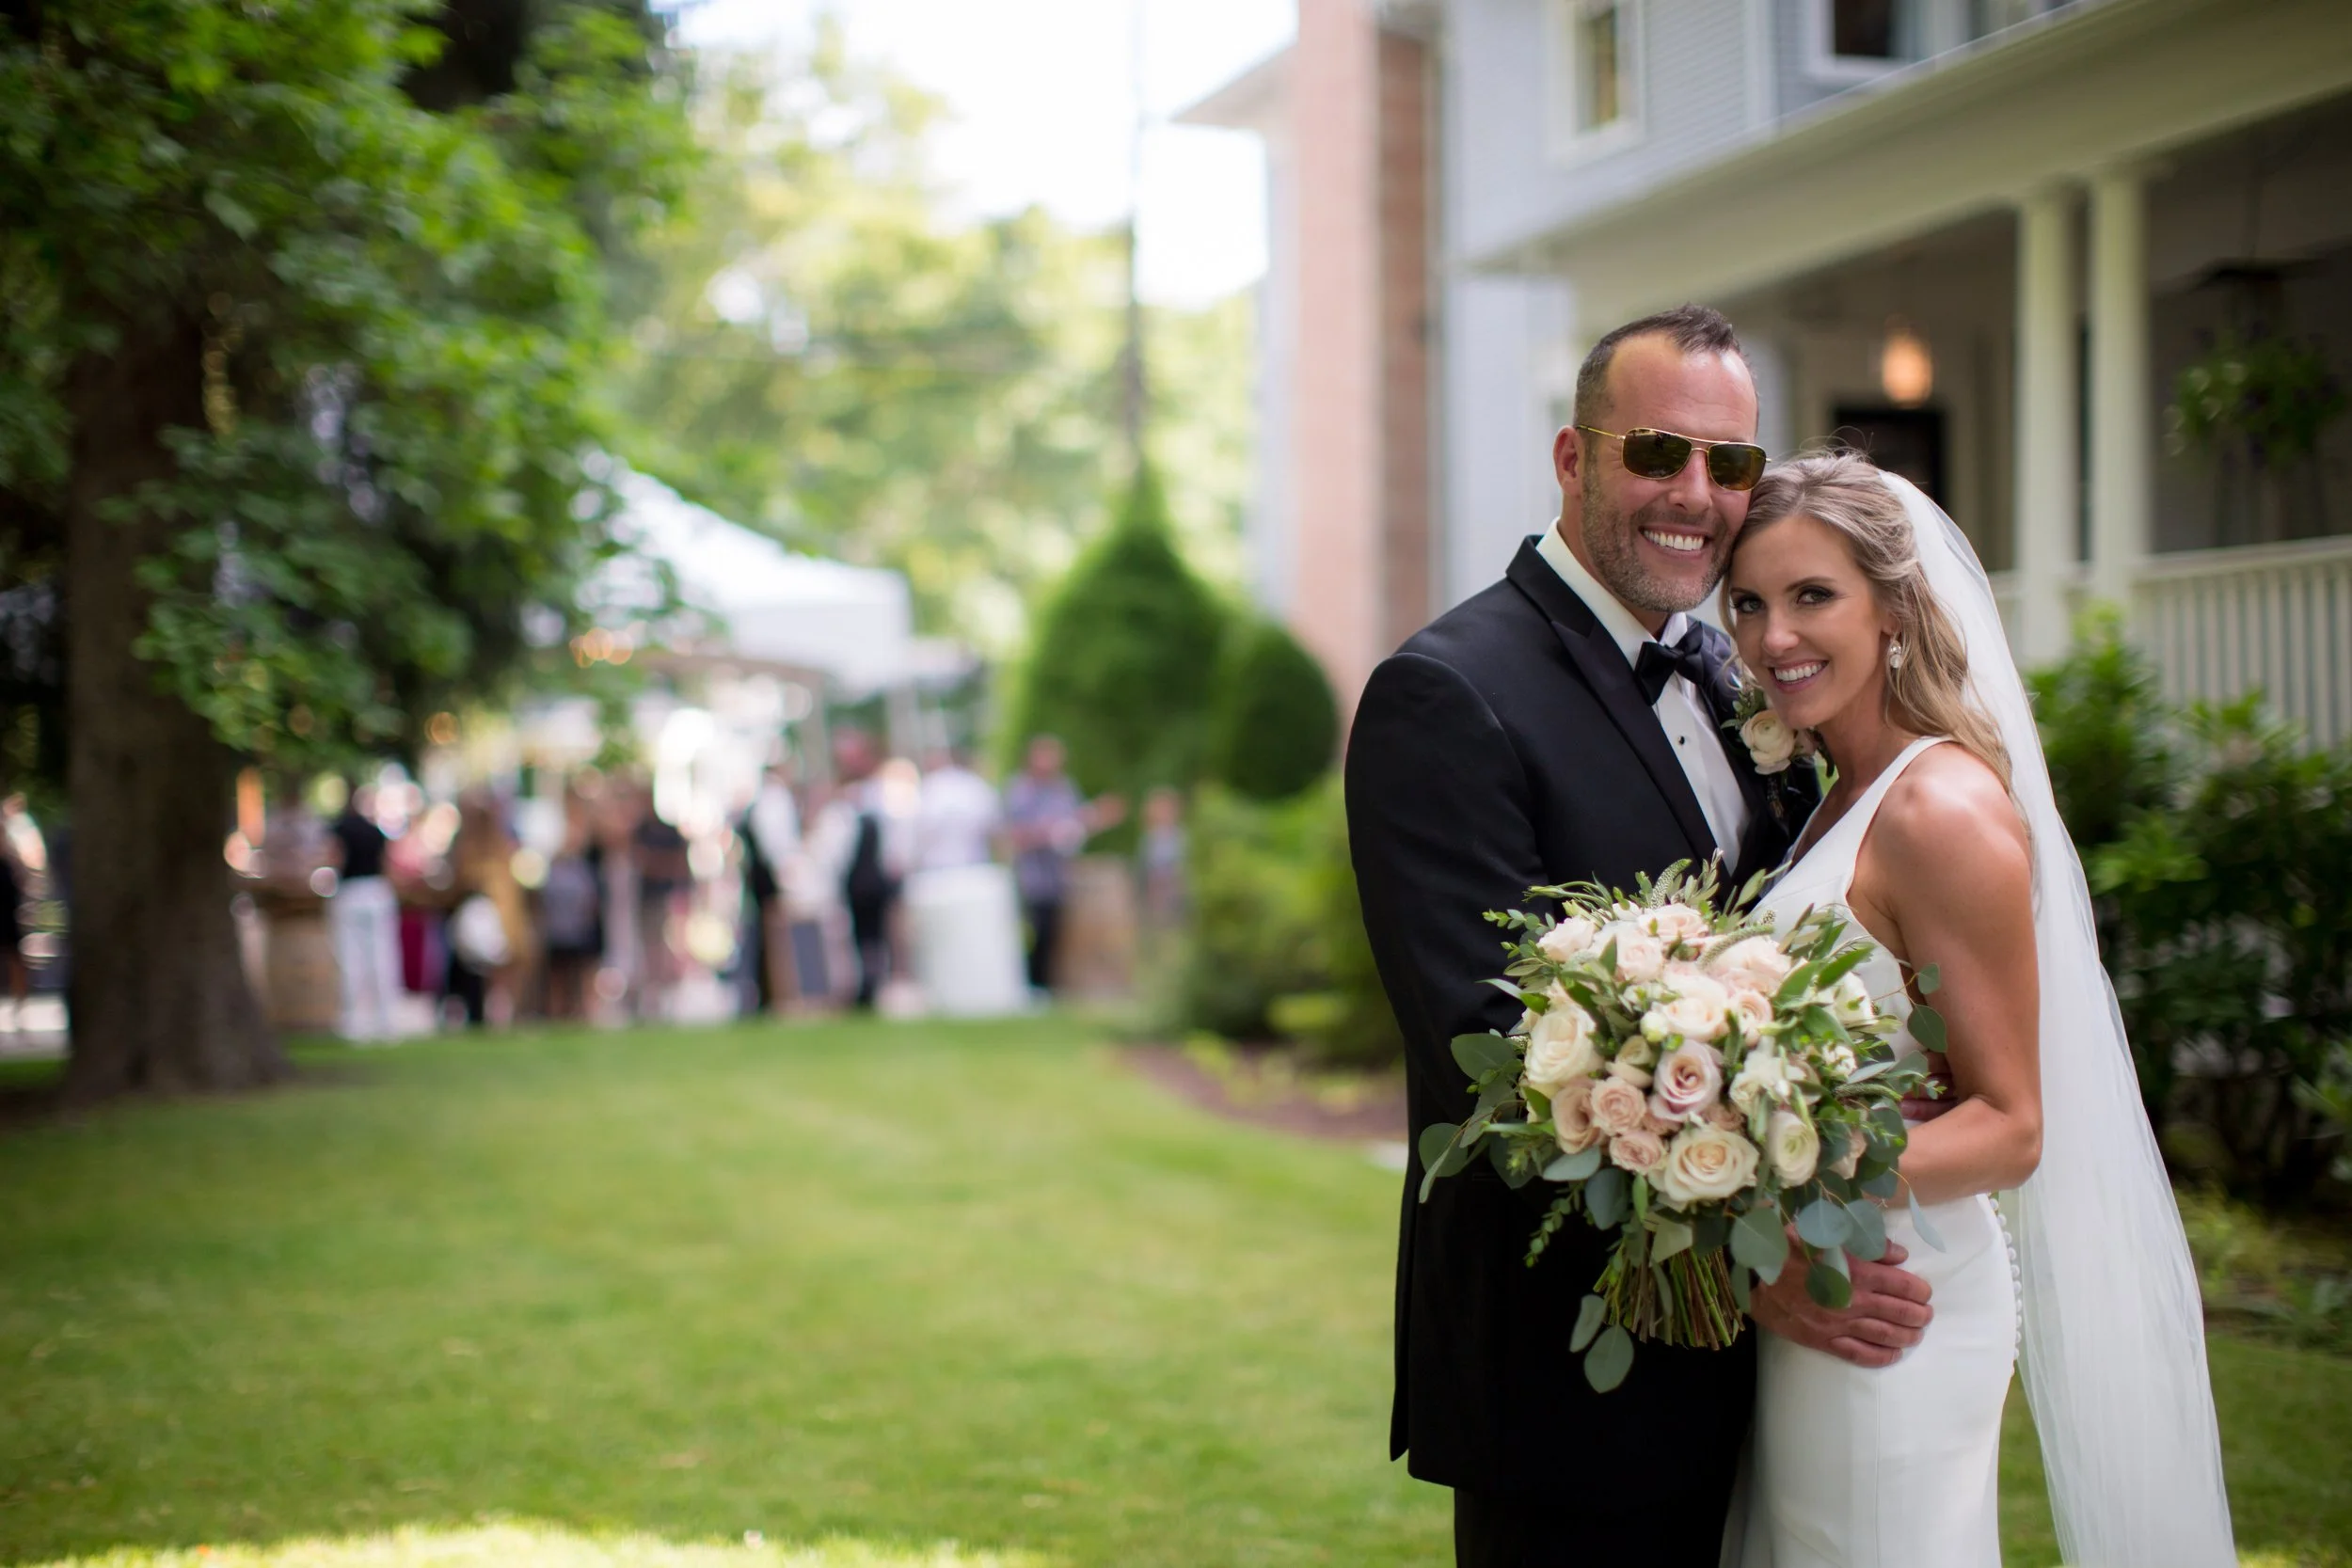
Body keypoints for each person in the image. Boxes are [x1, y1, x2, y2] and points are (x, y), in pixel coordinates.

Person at [1348, 306, 1891, 1566]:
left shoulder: (1733, 665)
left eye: (1730, 463)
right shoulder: (1448, 691)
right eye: (1658, 451)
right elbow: (1494, 1047)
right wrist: (1740, 1266)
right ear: (1573, 459)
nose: (1695, 494)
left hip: (1766, 1364)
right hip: (1565, 1371)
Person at [1724, 453, 2232, 1566]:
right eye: (1749, 602)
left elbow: (2009, 1123)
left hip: (1892, 1287)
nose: (1773, 639)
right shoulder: (1835, 801)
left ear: (1895, 608)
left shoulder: (1939, 807)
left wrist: (1789, 1177)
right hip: (1821, 1273)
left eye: (1813, 596)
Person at [1000, 735, 1121, 994]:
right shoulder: (1020, 790)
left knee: (1054, 932)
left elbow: (1075, 824)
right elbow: (1014, 834)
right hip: (1031, 875)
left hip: (1059, 875)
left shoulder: (1064, 788)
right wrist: (1050, 832)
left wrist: (1093, 818)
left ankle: (1048, 986)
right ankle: (1031, 986)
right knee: (1035, 931)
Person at [326, 784, 403, 1041]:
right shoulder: (377, 832)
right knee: (381, 956)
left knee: (351, 958)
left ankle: (354, 1022)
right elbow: (387, 864)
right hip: (377, 892)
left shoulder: (341, 829)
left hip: (350, 892)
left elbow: (333, 858)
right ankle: (385, 1020)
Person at [914, 746, 1000, 874]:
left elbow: (916, 832)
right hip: (975, 867)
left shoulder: (928, 787)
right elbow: (995, 832)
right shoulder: (979, 787)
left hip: (936, 870)